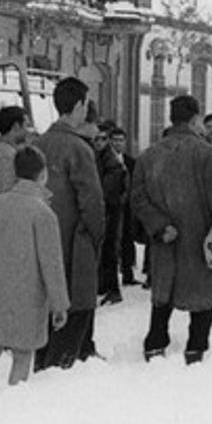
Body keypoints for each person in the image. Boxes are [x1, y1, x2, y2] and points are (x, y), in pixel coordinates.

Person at [130, 94, 212, 364]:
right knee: (203, 299)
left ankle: (155, 346)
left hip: (165, 242)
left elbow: (137, 198)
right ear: (195, 120)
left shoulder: (149, 156)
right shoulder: (208, 155)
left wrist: (158, 225)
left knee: (163, 296)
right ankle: (195, 350)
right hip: (200, 241)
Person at [0, 146, 70, 388]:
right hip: (28, 294)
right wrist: (59, 305)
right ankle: (14, 401)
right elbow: (51, 265)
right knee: (23, 352)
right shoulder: (43, 213)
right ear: (43, 174)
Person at [32, 76, 105, 371]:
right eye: (86, 103)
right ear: (77, 105)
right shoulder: (79, 149)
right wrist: (95, 238)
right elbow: (93, 204)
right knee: (76, 307)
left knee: (47, 309)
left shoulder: (37, 144)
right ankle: (62, 367)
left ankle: (43, 364)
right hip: (75, 244)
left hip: (41, 241)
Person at [94, 120, 128, 304]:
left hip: (111, 211)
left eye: (103, 139)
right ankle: (106, 285)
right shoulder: (99, 157)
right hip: (106, 210)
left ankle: (113, 288)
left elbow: (111, 190)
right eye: (96, 139)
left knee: (109, 250)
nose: (99, 142)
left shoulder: (110, 160)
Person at [113, 127, 140, 286]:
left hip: (128, 207)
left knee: (128, 239)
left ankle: (128, 273)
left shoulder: (131, 162)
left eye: (121, 140)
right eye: (115, 140)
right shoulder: (104, 160)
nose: (118, 143)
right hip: (112, 206)